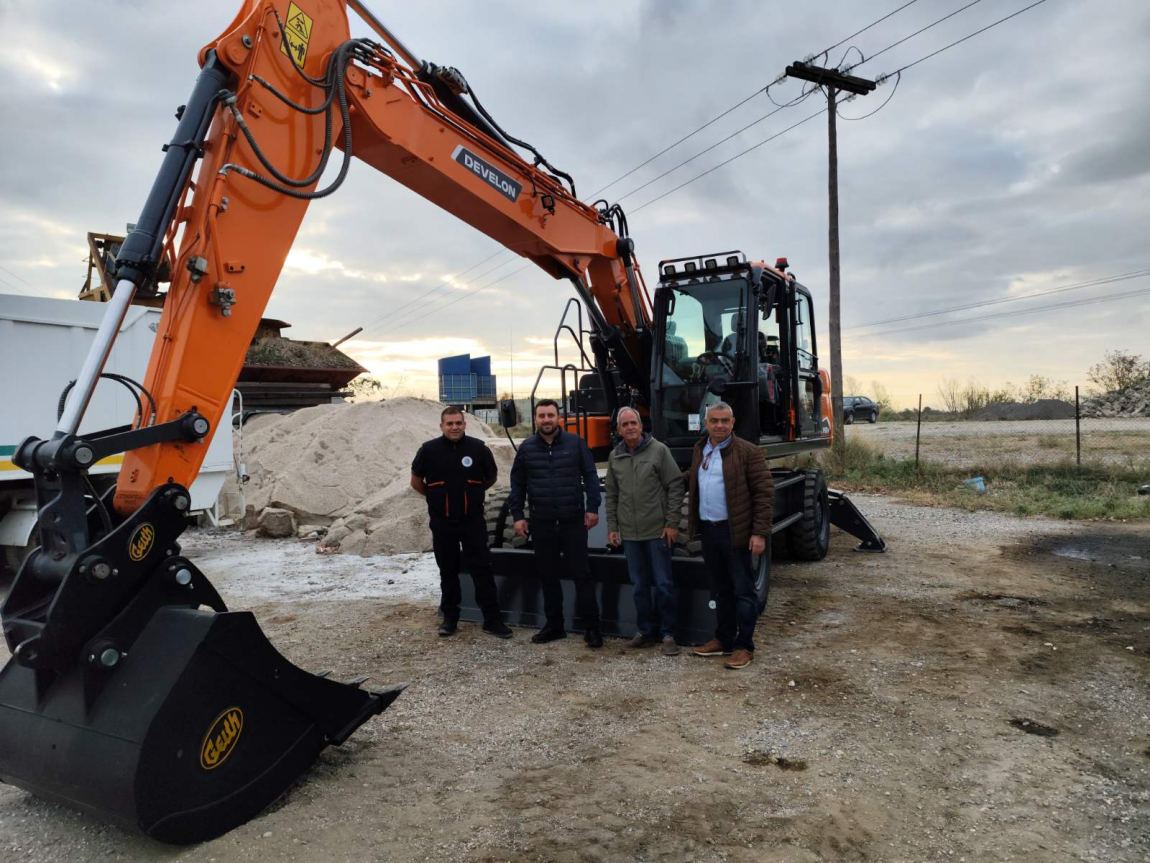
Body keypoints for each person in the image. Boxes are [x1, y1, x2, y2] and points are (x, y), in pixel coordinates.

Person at [508, 399, 604, 648]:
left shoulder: (576, 443)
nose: (546, 420)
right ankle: (554, 626)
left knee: (582, 574)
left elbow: (591, 476)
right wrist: (518, 516)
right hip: (542, 522)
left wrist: (593, 508)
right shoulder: (526, 448)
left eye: (550, 415)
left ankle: (592, 628)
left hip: (573, 521)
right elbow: (517, 484)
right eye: (542, 416)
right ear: (535, 419)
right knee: (548, 575)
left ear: (558, 418)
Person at [411, 406, 512, 639]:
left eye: (458, 423)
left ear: (465, 424)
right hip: (443, 523)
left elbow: (491, 477)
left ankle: (492, 620)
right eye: (450, 423)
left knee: (482, 570)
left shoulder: (478, 448)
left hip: (472, 522)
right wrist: (434, 498)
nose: (454, 427)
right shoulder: (428, 450)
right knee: (448, 571)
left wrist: (473, 494)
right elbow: (416, 481)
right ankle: (450, 619)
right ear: (442, 426)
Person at [687, 401, 773, 670]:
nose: (720, 425)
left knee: (743, 591)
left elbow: (763, 494)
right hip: (709, 531)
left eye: (725, 420)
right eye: (714, 421)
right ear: (706, 423)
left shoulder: (749, 452)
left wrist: (759, 533)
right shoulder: (700, 450)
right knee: (720, 589)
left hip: (735, 532)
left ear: (733, 423)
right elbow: (693, 481)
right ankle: (723, 639)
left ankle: (744, 646)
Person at [605, 407, 686, 656]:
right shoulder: (614, 457)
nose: (630, 427)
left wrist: (672, 523)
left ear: (641, 426)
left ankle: (668, 633)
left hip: (657, 531)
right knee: (639, 585)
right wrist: (613, 527)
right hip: (630, 534)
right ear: (619, 430)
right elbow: (612, 495)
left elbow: (675, 485)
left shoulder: (659, 451)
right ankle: (645, 631)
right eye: (625, 424)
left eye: (634, 423)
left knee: (663, 583)